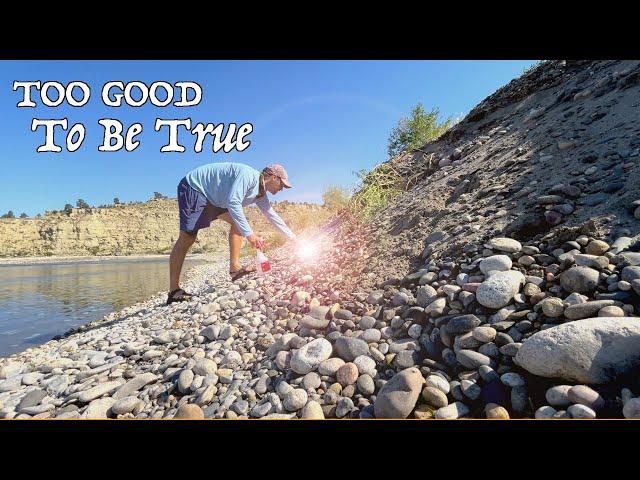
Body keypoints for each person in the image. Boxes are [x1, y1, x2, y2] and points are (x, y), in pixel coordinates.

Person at [167, 162, 296, 304]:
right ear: (273, 177)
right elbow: (233, 202)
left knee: (237, 223)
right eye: (282, 184)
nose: (282, 189)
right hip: (195, 186)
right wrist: (250, 235)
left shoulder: (260, 194)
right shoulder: (248, 176)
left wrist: (293, 238)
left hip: (215, 197)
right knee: (187, 238)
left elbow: (271, 214)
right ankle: (174, 291)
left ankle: (234, 268)